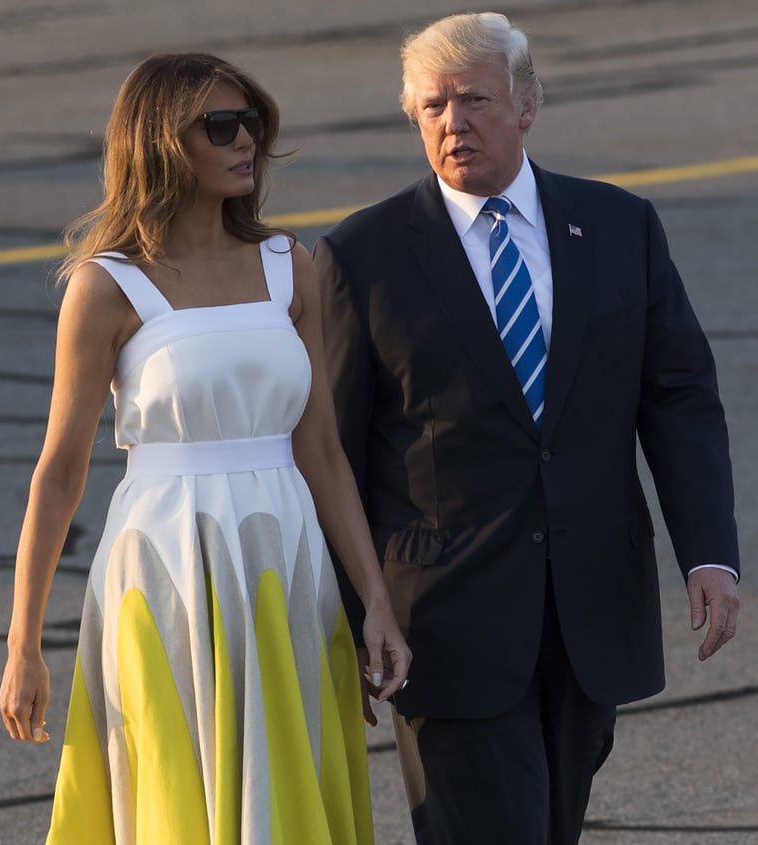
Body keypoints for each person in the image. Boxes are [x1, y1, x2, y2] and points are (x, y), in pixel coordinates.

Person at [312, 12, 741, 845]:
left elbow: (680, 396)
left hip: (587, 613)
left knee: (552, 826)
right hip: (444, 624)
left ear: (527, 105)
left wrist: (709, 552)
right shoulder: (361, 257)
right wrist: (352, 609)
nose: (452, 122)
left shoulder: (620, 228)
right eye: (431, 107)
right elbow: (334, 452)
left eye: (472, 99)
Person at [0, 52, 410, 844]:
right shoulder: (106, 285)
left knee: (285, 784)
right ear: (159, 142)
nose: (245, 139)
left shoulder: (292, 265)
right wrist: (23, 645)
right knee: (176, 789)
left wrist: (377, 601)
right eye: (219, 125)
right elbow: (59, 472)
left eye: (252, 120)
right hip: (164, 563)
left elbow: (321, 448)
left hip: (285, 557)